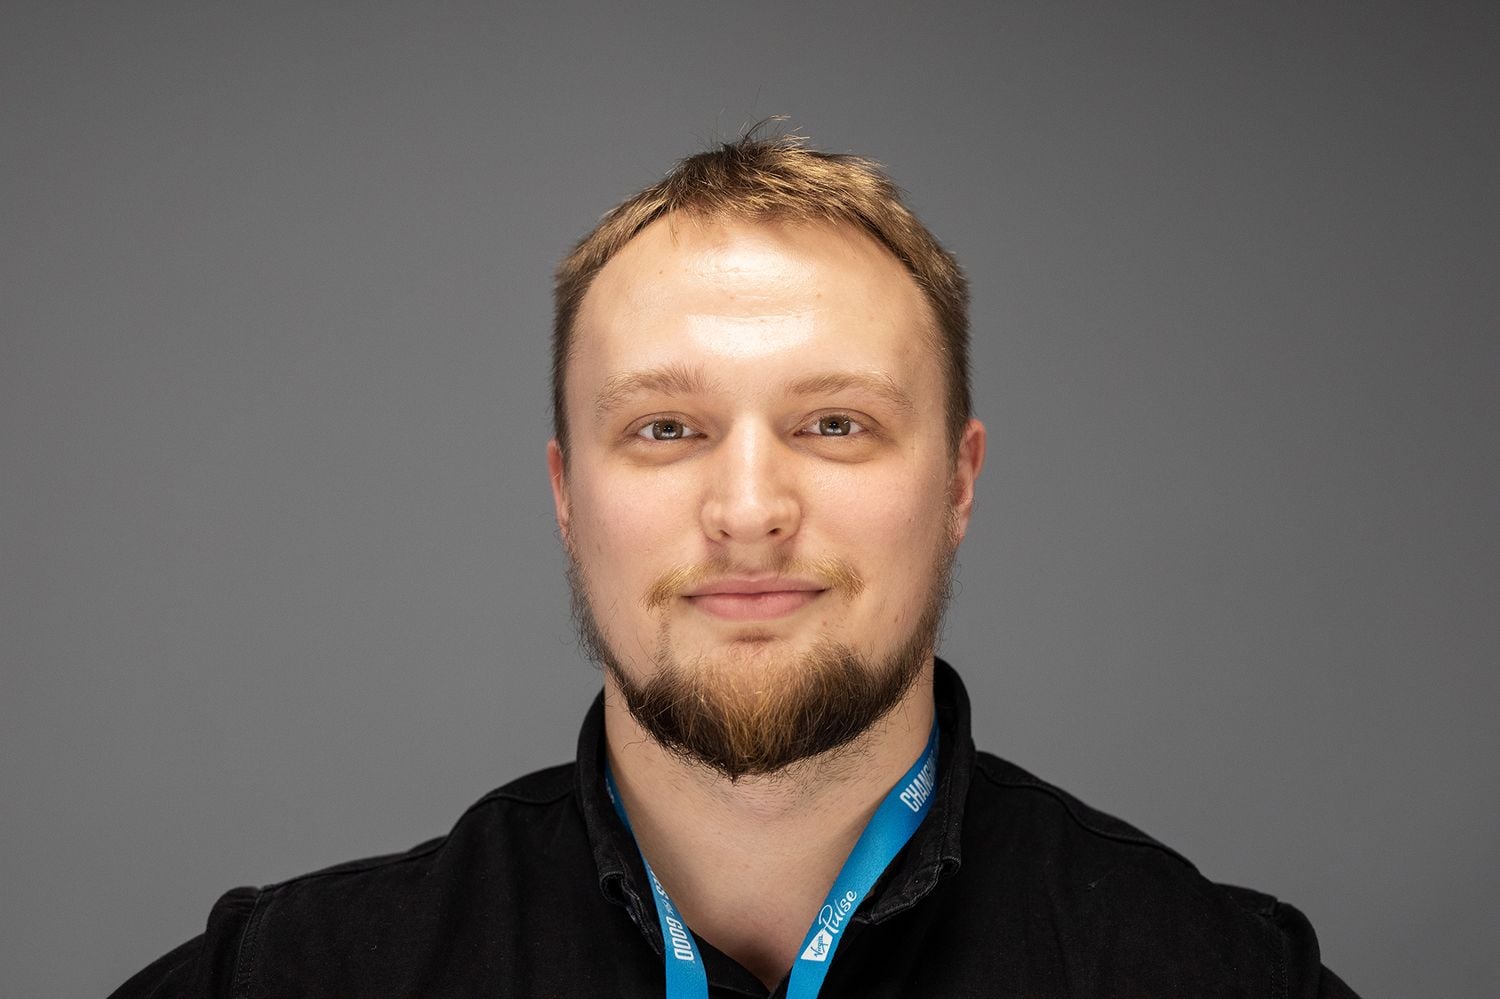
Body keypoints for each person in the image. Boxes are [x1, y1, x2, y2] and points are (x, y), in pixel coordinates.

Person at [112, 129, 1359, 998]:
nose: (750, 511)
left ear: (959, 484)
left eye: (835, 424)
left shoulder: (1223, 978)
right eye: (666, 429)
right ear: (566, 494)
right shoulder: (293, 979)